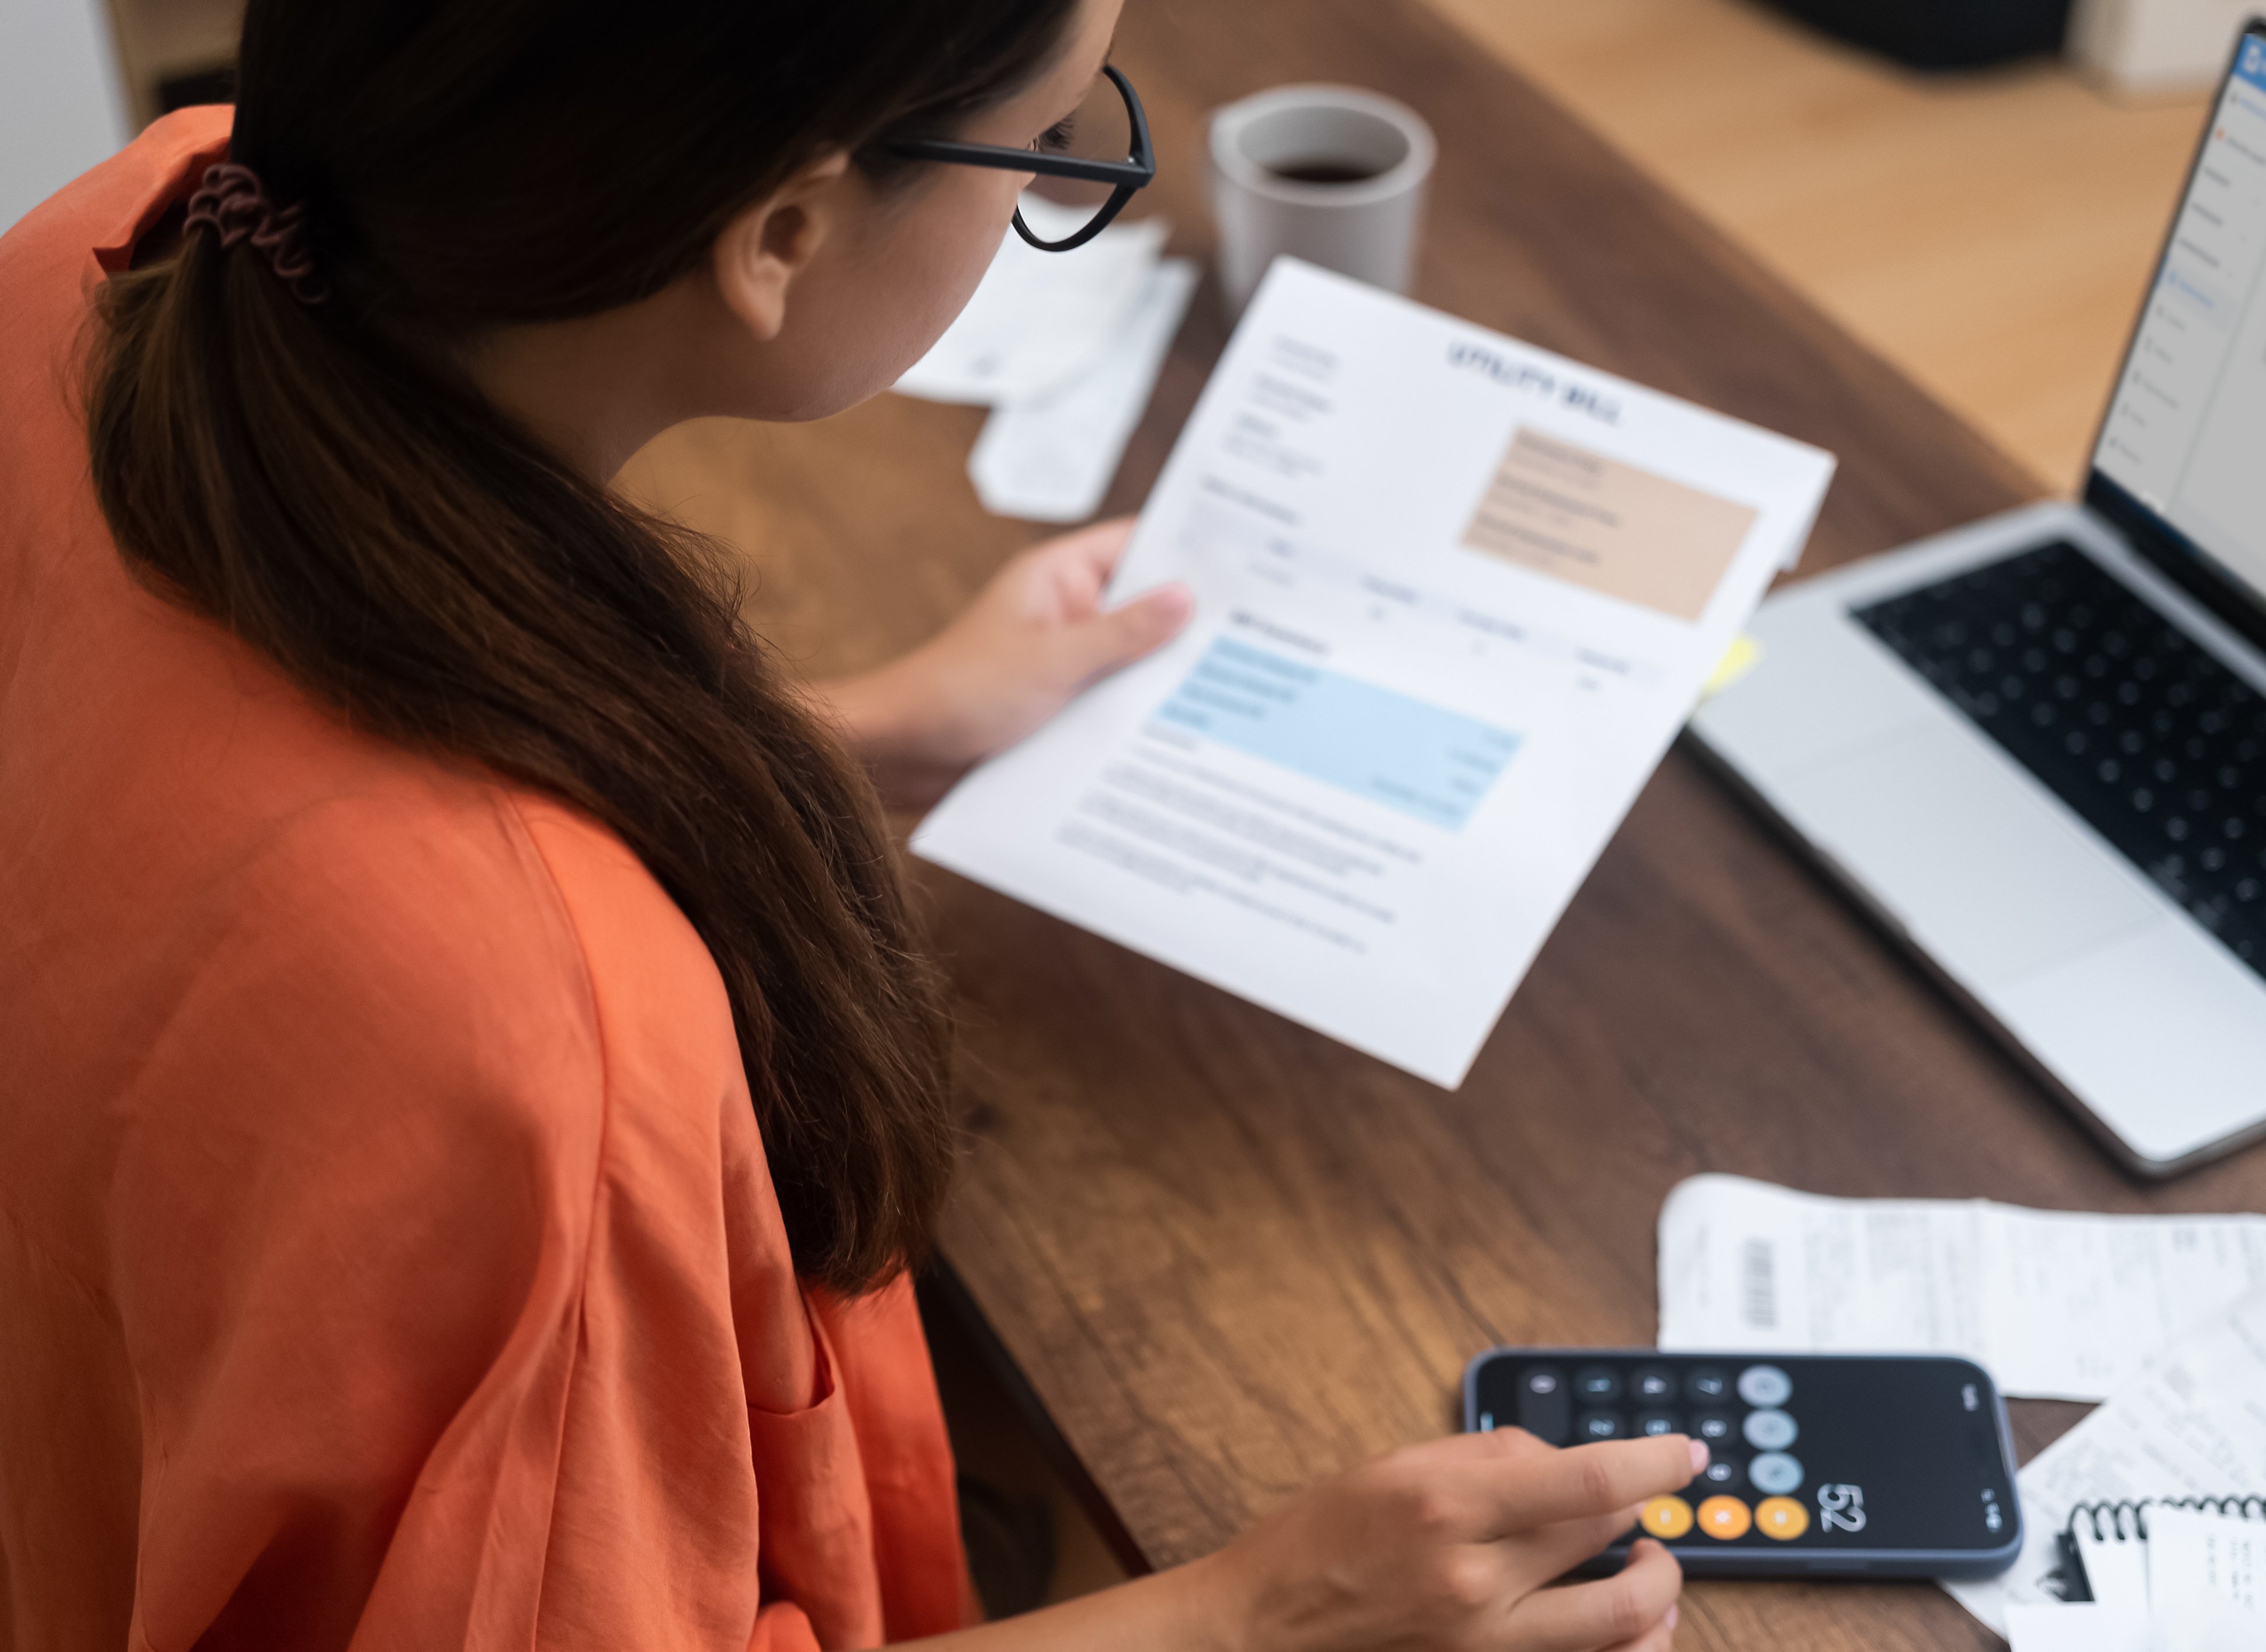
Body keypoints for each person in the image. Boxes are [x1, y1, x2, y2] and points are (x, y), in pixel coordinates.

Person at [0, 0, 1704, 1646]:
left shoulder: (150, 233)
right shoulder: (532, 1049)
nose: (1048, 183)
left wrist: (840, 737)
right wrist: (1263, 1611)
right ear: (784, 237)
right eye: (1045, 146)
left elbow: (225, 797)